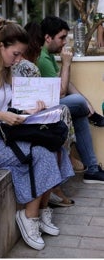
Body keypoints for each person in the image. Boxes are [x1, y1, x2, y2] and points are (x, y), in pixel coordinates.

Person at [0, 22, 74, 250]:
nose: (18, 59)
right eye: (15, 53)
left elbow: (9, 107)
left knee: (53, 147)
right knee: (37, 153)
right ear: (1, 47)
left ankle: (39, 212)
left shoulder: (4, 69)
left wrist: (29, 111)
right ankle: (29, 217)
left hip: (4, 133)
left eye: (20, 54)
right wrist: (2, 114)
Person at [37, 15, 104, 184]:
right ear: (48, 37)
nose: (64, 42)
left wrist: (88, 105)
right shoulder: (42, 58)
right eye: (61, 38)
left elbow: (67, 84)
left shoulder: (49, 55)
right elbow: (60, 93)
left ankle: (92, 170)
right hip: (42, 108)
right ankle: (92, 169)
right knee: (78, 102)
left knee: (80, 109)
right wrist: (67, 64)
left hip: (53, 103)